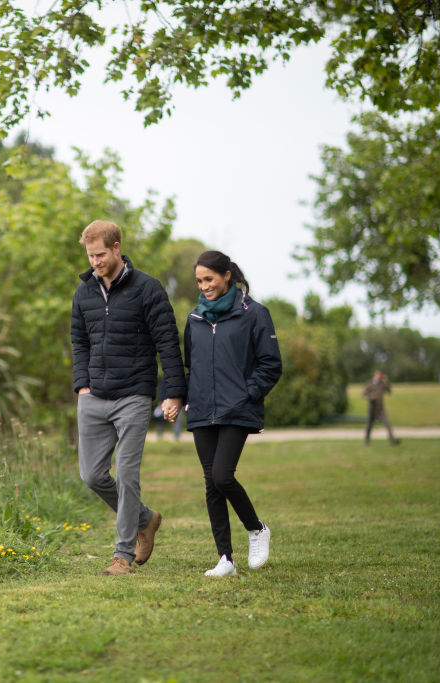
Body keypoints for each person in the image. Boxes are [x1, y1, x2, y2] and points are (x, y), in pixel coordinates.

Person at [71, 220, 186, 576]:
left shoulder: (148, 289)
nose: (95, 262)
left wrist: (174, 393)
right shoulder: (85, 291)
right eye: (90, 256)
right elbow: (80, 341)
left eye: (101, 254)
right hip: (94, 395)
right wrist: (82, 385)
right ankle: (145, 518)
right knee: (91, 475)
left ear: (118, 247)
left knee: (127, 473)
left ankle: (122, 555)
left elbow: (168, 342)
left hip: (134, 394)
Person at [183, 250, 282, 578]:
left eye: (209, 279)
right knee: (212, 483)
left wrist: (246, 394)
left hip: (237, 408)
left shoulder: (255, 314)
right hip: (201, 410)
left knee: (223, 476)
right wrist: (183, 397)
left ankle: (257, 529)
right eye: (199, 281)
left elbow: (271, 364)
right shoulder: (195, 319)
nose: (204, 286)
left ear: (227, 275)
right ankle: (225, 558)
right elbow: (190, 364)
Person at [363, 370, 400, 446]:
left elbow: (389, 391)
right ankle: (366, 441)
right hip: (372, 408)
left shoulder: (382, 384)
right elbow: (364, 394)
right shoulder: (369, 383)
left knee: (387, 424)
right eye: (378, 375)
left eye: (380, 375)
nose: (379, 377)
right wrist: (371, 396)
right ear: (375, 375)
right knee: (369, 425)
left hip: (381, 409)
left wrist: (386, 381)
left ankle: (393, 441)